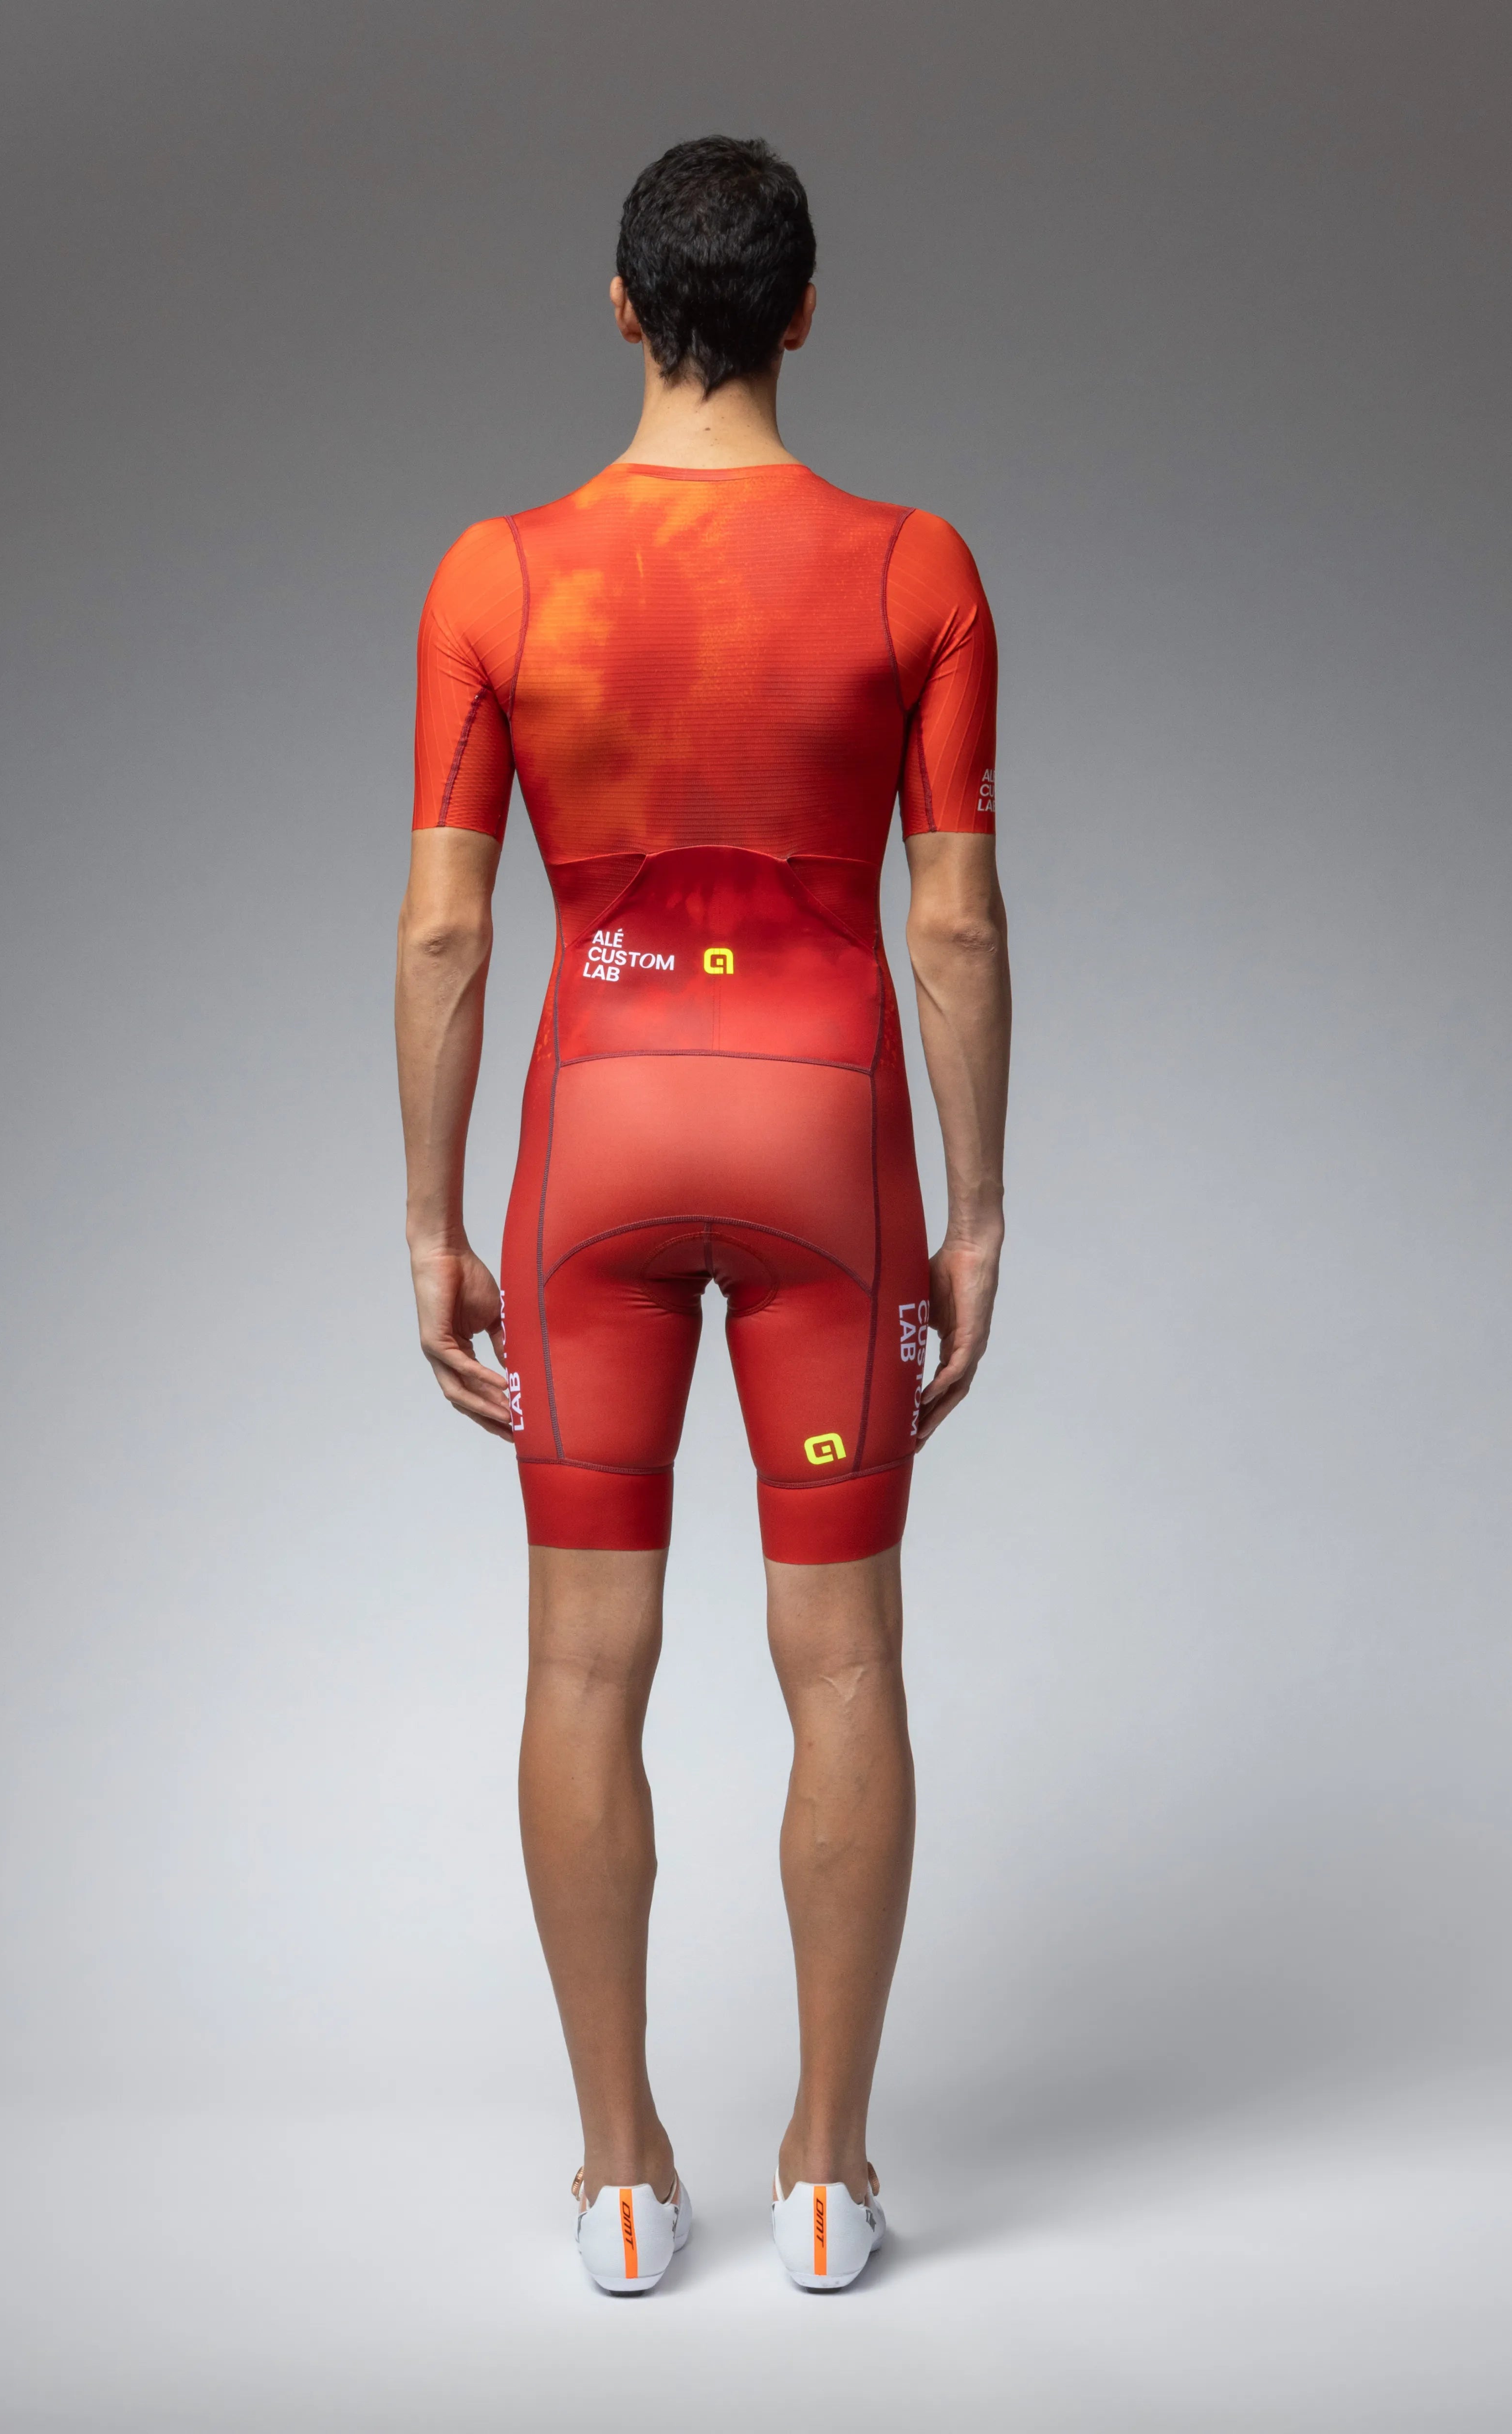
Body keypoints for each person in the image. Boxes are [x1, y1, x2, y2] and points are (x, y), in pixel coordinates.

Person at [395, 135, 1009, 2293]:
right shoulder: (916, 569)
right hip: (830, 1139)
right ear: (805, 313)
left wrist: (430, 1220)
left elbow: (449, 932)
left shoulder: (498, 575)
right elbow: (953, 921)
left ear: (622, 306)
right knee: (844, 1659)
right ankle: (829, 2173)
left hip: (601, 1147)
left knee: (586, 1656)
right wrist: (979, 1212)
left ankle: (622, 2176)